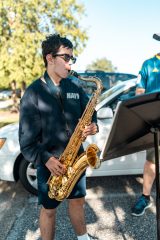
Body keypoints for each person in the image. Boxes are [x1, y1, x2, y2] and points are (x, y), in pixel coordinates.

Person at [19, 34, 99, 240]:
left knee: (78, 201)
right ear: (50, 58)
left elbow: (91, 112)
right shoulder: (33, 93)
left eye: (72, 58)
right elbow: (26, 143)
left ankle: (83, 238)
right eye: (66, 57)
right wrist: (46, 159)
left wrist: (93, 126)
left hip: (75, 158)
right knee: (49, 210)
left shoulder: (74, 86)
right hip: (50, 163)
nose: (70, 64)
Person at [131, 47, 160, 216]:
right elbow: (139, 93)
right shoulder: (149, 64)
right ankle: (145, 198)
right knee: (152, 161)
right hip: (155, 122)